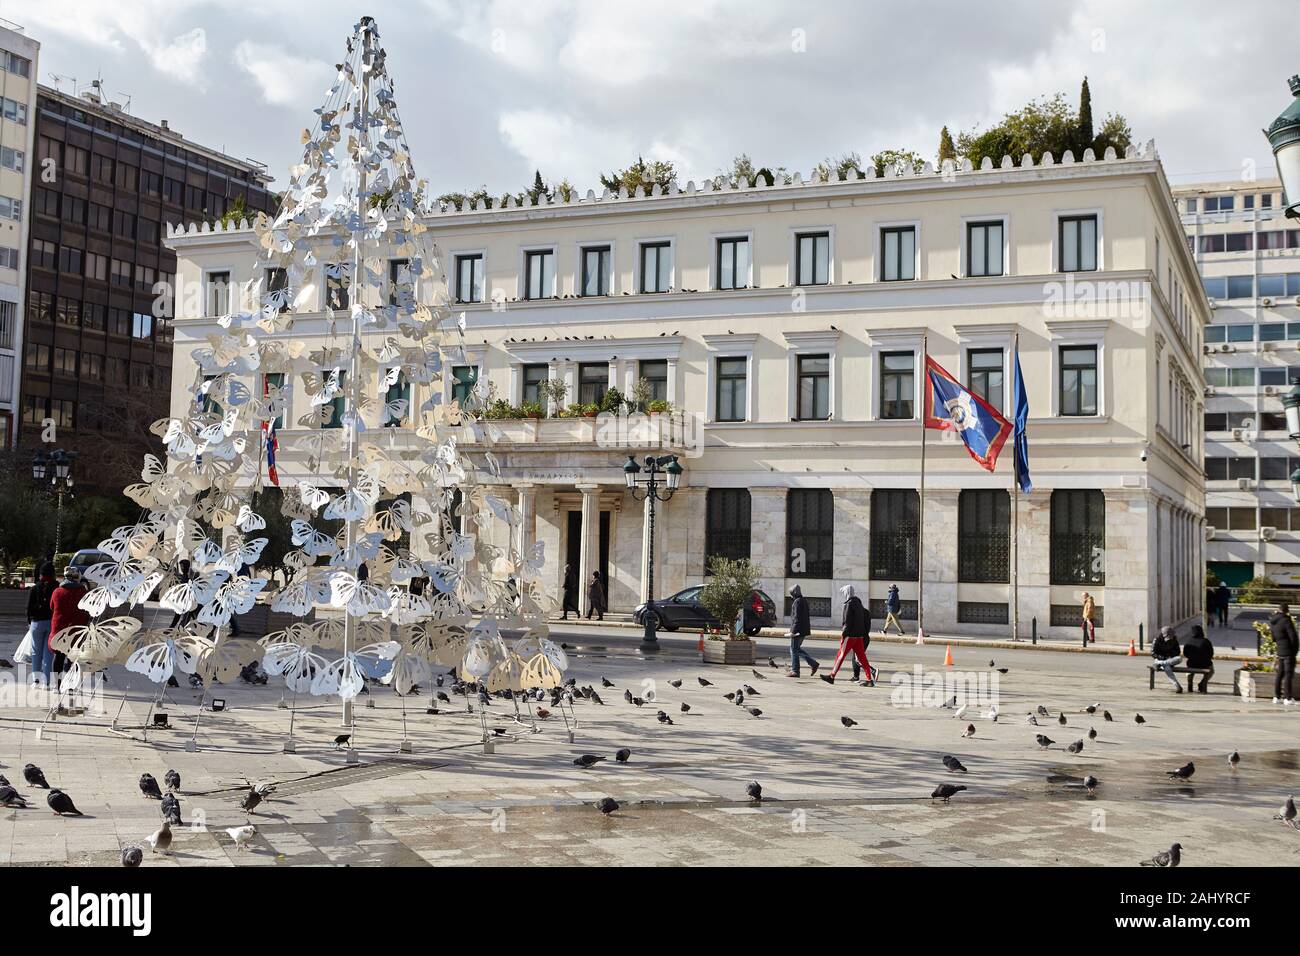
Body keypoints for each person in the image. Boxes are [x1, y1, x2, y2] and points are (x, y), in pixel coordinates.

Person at [823, 585, 874, 686]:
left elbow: (847, 622)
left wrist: (844, 635)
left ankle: (832, 676)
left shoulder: (848, 604)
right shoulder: (858, 604)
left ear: (846, 593)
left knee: (840, 656)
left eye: (844, 593)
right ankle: (869, 680)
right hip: (859, 636)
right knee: (862, 658)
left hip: (850, 635)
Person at [48, 567, 89, 684]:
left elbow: (52, 607)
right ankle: (70, 685)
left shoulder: (57, 592)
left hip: (59, 631)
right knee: (72, 659)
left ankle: (58, 684)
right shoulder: (82, 592)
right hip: (76, 632)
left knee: (58, 657)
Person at [25, 562, 57, 685]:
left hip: (36, 623)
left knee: (35, 652)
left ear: (41, 574)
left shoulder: (34, 588)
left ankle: (36, 680)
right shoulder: (57, 587)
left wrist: (29, 622)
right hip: (51, 622)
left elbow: (28, 608)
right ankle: (47, 681)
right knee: (48, 652)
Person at [842, 585, 878, 685]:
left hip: (859, 637)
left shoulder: (857, 613)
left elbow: (849, 623)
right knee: (856, 657)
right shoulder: (866, 612)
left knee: (858, 658)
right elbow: (868, 627)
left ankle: (872, 671)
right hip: (865, 637)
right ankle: (856, 676)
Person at [785, 585, 818, 677]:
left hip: (797, 630)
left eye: (791, 593)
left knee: (793, 649)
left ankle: (795, 670)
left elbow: (796, 618)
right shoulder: (804, 600)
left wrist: (793, 631)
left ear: (794, 593)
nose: (791, 596)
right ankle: (813, 664)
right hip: (803, 629)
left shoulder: (797, 602)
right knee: (797, 649)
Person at [1269, 602, 1298, 705]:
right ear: (1287, 610)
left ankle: (1277, 697)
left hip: (1280, 650)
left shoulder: (1273, 621)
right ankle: (1288, 698)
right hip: (1288, 651)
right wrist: (1294, 650)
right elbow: (1293, 637)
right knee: (1288, 675)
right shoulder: (1286, 621)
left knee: (1280, 674)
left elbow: (1273, 638)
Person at [1181, 624, 1214, 693]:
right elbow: (1211, 653)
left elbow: (1185, 653)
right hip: (1205, 664)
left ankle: (1190, 684)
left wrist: (1192, 657)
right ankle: (1202, 684)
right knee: (1211, 671)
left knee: (1189, 671)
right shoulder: (1206, 641)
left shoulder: (1188, 641)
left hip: (1192, 664)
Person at [1150, 626, 1183, 692]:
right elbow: (1153, 653)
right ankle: (1177, 685)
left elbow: (1178, 652)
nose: (1171, 638)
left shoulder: (1174, 640)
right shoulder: (1157, 640)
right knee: (1167, 668)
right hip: (1160, 659)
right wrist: (1162, 658)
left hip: (1170, 660)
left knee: (1179, 658)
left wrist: (1171, 655)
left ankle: (1158, 664)